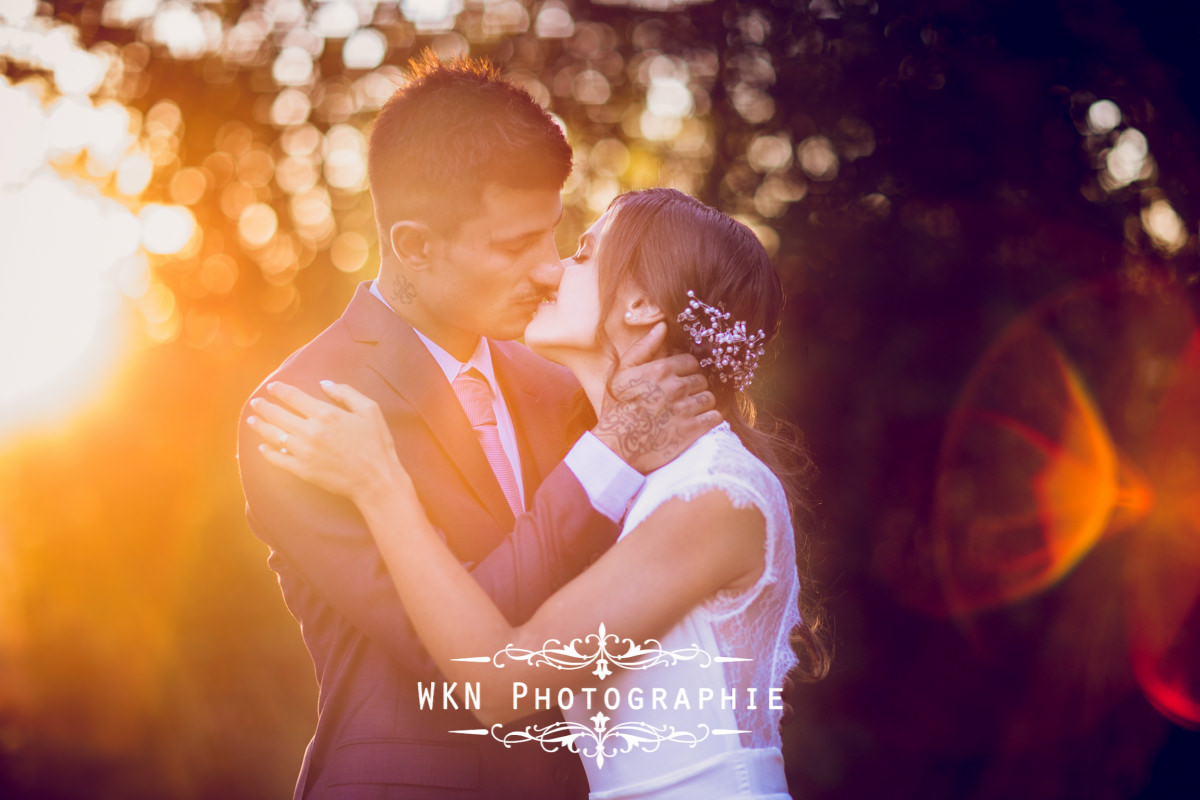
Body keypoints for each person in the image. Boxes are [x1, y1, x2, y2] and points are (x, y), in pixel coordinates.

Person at [237, 58, 721, 799]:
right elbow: (457, 651)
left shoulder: (559, 388)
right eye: (511, 246)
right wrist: (610, 453)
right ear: (415, 247)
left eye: (551, 234)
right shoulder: (307, 409)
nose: (551, 270)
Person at [249, 187, 831, 800]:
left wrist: (380, 482)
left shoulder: (715, 497)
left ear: (639, 306)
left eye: (582, 254)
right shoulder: (635, 480)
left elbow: (499, 682)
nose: (553, 269)